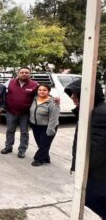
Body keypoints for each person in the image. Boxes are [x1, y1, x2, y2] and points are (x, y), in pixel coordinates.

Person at [64, 79, 106, 218]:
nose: (72, 97)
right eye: (71, 94)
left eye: (76, 93)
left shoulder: (99, 113)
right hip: (96, 171)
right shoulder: (90, 111)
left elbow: (96, 150)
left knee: (92, 198)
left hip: (98, 172)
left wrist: (83, 168)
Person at [1, 67, 39, 158]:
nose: (24, 74)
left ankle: (22, 150)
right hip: (11, 111)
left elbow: (43, 94)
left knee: (24, 132)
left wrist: (54, 99)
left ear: (30, 74)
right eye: (22, 72)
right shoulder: (10, 82)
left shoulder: (35, 84)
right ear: (18, 74)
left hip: (25, 113)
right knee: (10, 130)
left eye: (26, 72)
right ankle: (8, 147)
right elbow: (0, 90)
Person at [29, 84, 60, 166]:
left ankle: (38, 159)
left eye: (44, 90)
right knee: (40, 143)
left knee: (44, 144)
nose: (41, 91)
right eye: (40, 90)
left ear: (48, 91)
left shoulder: (53, 102)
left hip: (47, 127)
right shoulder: (35, 99)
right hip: (35, 126)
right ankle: (46, 158)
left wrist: (51, 129)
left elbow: (54, 117)